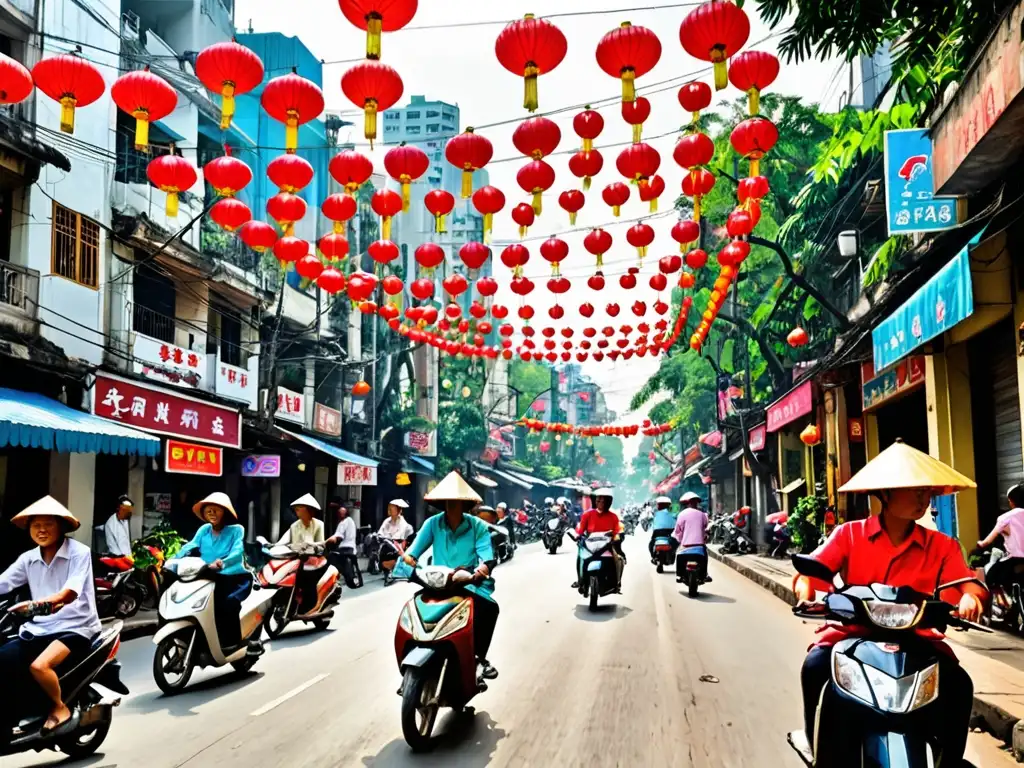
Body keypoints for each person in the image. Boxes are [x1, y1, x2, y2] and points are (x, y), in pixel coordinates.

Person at [792, 439, 985, 762]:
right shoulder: (849, 535)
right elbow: (812, 573)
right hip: (853, 635)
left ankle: (948, 760)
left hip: (919, 640)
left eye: (926, 491)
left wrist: (970, 598)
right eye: (914, 490)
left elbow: (967, 585)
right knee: (814, 666)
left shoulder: (942, 546)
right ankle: (818, 750)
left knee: (960, 684)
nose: (924, 498)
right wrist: (806, 591)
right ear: (885, 493)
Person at [0, 497, 101, 732]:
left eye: (48, 524)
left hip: (76, 626)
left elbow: (68, 595)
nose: (42, 530)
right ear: (29, 529)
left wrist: (34, 606)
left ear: (62, 526)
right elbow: (3, 583)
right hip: (40, 628)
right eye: (36, 525)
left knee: (39, 666)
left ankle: (58, 707)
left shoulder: (79, 553)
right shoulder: (28, 559)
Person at [402, 472, 500, 681]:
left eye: (457, 503)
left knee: (490, 609)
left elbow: (486, 557)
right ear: (442, 502)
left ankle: (479, 658)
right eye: (448, 502)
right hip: (437, 584)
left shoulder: (478, 526)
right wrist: (409, 559)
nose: (452, 506)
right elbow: (413, 551)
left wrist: (481, 569)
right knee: (411, 609)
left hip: (469, 584)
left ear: (465, 505)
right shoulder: (432, 524)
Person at [178, 492, 254, 654]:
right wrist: (172, 559)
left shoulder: (236, 530)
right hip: (208, 575)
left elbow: (237, 551)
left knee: (228, 603)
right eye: (208, 510)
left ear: (225, 513)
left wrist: (222, 562)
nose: (211, 513)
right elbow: (190, 546)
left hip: (234, 578)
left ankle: (233, 642)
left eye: (216, 510)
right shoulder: (204, 530)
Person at [278, 494, 326, 611]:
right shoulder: (294, 526)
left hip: (313, 559)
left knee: (308, 579)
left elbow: (320, 545)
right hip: (297, 559)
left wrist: (311, 548)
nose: (296, 511)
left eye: (299, 508)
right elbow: (287, 542)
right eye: (296, 509)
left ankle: (309, 604)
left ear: (308, 510)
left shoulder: (319, 524)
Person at [977, 484, 1024, 595]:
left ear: (1011, 501)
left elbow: (986, 542)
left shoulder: (1005, 518)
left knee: (990, 577)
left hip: (1014, 560)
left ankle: (1004, 603)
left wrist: (980, 544)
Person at [576, 487, 623, 588]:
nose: (601, 502)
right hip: (590, 544)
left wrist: (616, 537)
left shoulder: (613, 516)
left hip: (607, 545)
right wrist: (578, 536)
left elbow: (616, 531)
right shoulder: (587, 515)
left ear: (608, 502)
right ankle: (580, 581)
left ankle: (616, 583)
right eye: (599, 500)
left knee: (618, 559)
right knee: (580, 556)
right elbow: (580, 530)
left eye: (604, 500)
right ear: (595, 501)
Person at [673, 492, 711, 582]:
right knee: (705, 556)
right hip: (699, 547)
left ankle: (679, 575)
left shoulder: (682, 514)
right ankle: (704, 574)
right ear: (696, 503)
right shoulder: (702, 514)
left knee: (678, 555)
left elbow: (677, 531)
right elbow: (706, 527)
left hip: (686, 546)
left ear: (687, 503)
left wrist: (680, 540)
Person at [326, 500, 361, 587]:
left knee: (330, 559)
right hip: (351, 548)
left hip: (345, 548)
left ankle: (334, 580)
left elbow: (338, 536)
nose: (339, 514)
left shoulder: (344, 522)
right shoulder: (351, 521)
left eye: (341, 512)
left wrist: (327, 541)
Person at [379, 499, 414, 584]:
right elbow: (381, 532)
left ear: (399, 510)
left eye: (392, 508)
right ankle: (386, 572)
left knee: (395, 552)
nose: (390, 510)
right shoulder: (387, 521)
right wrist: (381, 536)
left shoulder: (403, 523)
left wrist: (389, 537)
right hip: (387, 542)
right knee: (381, 552)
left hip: (398, 543)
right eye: (389, 508)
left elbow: (399, 536)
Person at [648, 495, 678, 561]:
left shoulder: (655, 514)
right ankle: (672, 555)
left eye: (658, 504)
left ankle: (653, 557)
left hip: (657, 533)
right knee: (676, 543)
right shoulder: (672, 513)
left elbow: (651, 523)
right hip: (669, 532)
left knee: (651, 544)